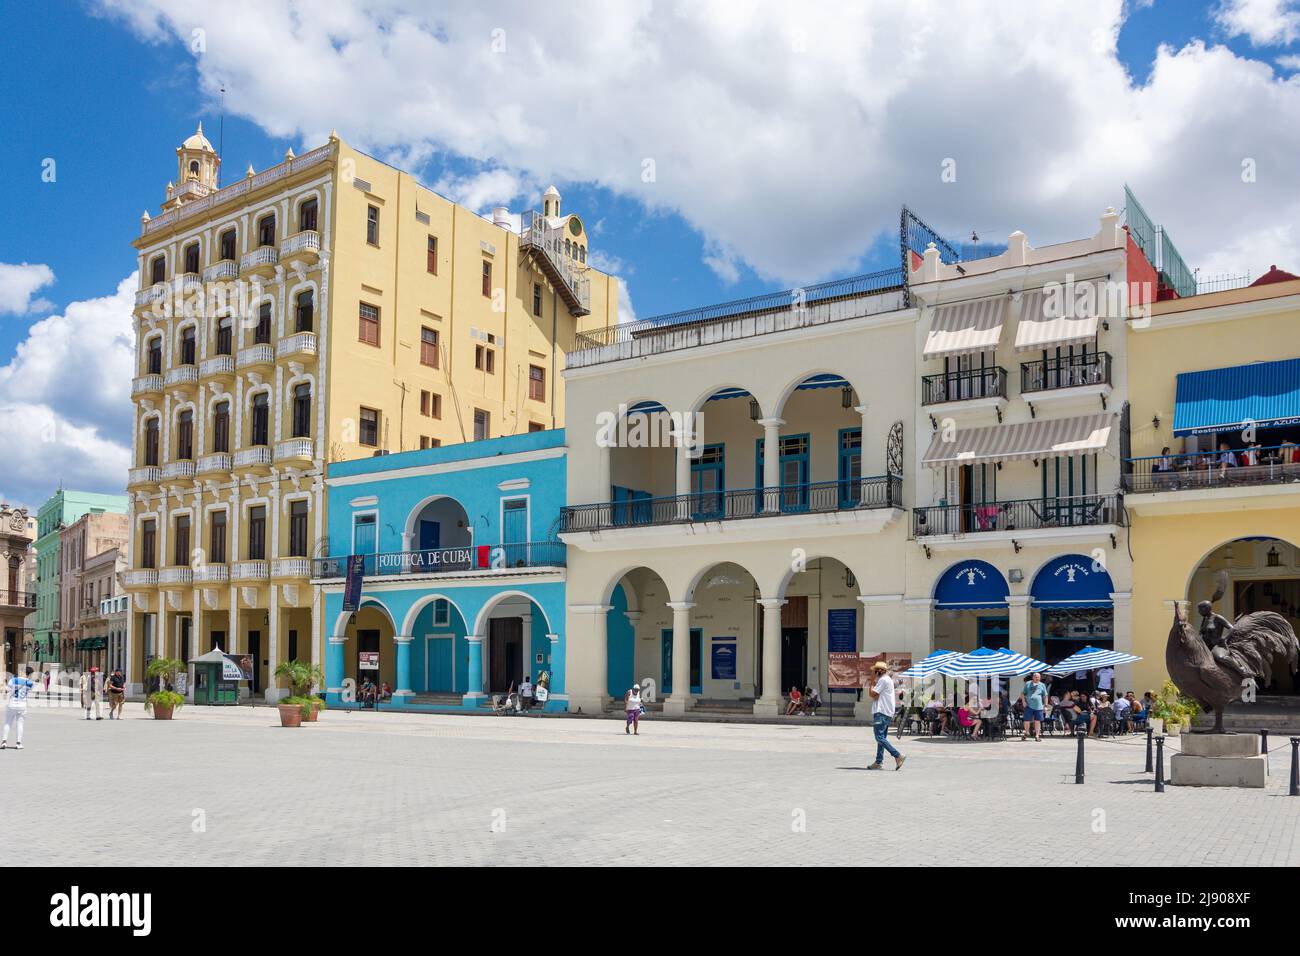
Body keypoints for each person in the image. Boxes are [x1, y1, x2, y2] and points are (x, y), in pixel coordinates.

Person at [866, 661, 905, 770]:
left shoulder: (883, 680)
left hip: (881, 712)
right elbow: (875, 696)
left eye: (874, 671)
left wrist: (872, 682)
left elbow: (872, 694)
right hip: (885, 712)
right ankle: (879, 761)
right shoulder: (886, 680)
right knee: (881, 738)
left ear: (878, 671)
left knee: (879, 737)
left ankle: (897, 755)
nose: (872, 672)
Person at [2, 666, 36, 749]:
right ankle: (18, 743)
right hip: (22, 706)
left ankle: (4, 742)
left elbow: (6, 689)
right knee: (20, 724)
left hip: (12, 704)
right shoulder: (31, 683)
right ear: (30, 674)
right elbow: (29, 690)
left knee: (7, 723)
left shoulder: (13, 680)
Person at [1022, 672, 1048, 741]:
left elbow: (1045, 696)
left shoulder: (1042, 685)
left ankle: (1037, 735)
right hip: (1029, 705)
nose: (1038, 678)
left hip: (1039, 706)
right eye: (1036, 677)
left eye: (1039, 677)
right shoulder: (1028, 684)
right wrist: (1024, 702)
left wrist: (1045, 706)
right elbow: (1023, 693)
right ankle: (1027, 732)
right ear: (1033, 677)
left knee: (1037, 721)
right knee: (1027, 720)